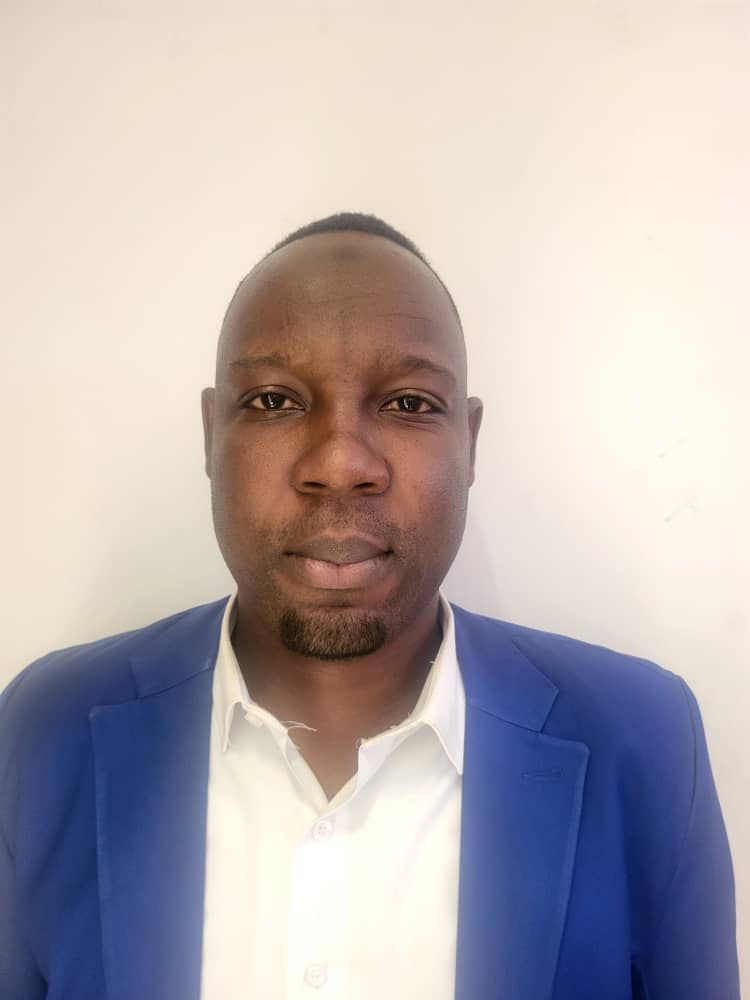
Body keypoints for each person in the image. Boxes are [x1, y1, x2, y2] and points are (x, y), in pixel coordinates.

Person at [0, 212, 739, 1000]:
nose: (340, 462)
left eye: (410, 403)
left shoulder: (643, 743)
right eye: (275, 400)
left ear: (470, 442)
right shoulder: (46, 732)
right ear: (212, 435)